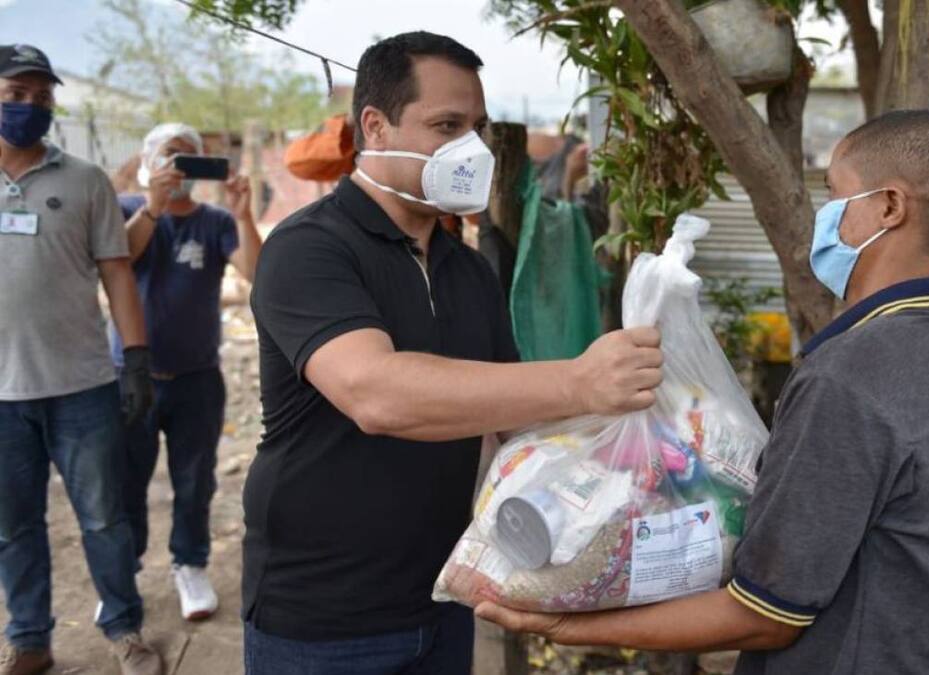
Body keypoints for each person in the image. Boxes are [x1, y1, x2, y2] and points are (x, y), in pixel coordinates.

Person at [478, 110, 929, 675]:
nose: (825, 214)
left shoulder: (849, 377)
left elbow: (768, 612)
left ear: (889, 207)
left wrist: (564, 626)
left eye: (835, 194)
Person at [243, 32, 663, 674]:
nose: (472, 148)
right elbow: (377, 394)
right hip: (322, 615)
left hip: (445, 594)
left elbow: (514, 423)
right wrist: (578, 382)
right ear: (375, 127)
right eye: (447, 126)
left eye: (478, 128)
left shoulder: (467, 269)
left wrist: (639, 451)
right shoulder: (309, 248)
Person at [0, 45, 162, 675]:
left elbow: (117, 272)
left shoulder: (86, 180)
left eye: (41, 96)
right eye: (15, 94)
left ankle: (124, 629)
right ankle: (29, 640)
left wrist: (137, 359)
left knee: (103, 519)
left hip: (83, 386)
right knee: (12, 527)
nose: (29, 106)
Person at [112, 122, 262, 622]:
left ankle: (190, 564)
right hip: (131, 375)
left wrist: (244, 215)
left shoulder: (214, 221)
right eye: (168, 155)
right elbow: (119, 259)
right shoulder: (126, 210)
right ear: (147, 160)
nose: (178, 166)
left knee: (195, 482)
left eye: (187, 156)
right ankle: (123, 573)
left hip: (197, 377)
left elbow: (255, 273)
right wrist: (153, 205)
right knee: (125, 480)